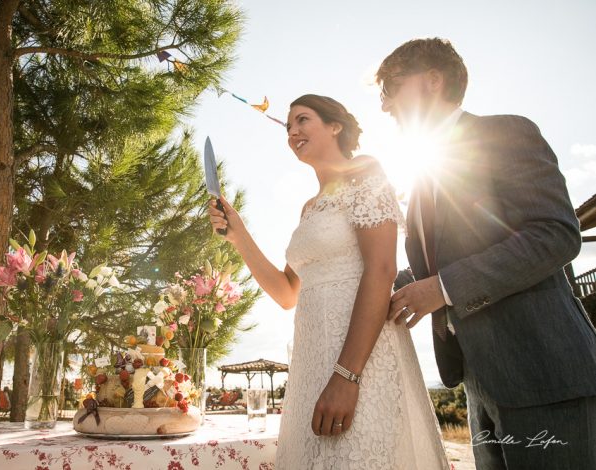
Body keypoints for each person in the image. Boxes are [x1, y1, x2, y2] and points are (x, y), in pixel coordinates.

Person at [379, 38, 596, 469]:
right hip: (479, 385)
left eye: (391, 89)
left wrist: (443, 289)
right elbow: (431, 265)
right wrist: (366, 282)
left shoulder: (507, 132)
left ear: (432, 81)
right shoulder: (423, 175)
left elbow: (555, 234)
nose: (385, 106)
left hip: (545, 377)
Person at [209, 94, 449, 469]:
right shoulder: (309, 207)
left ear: (335, 126)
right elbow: (288, 293)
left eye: (302, 120)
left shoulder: (366, 173)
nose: (292, 131)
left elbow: (382, 269)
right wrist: (239, 235)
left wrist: (347, 376)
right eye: (288, 126)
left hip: (360, 361)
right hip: (311, 362)